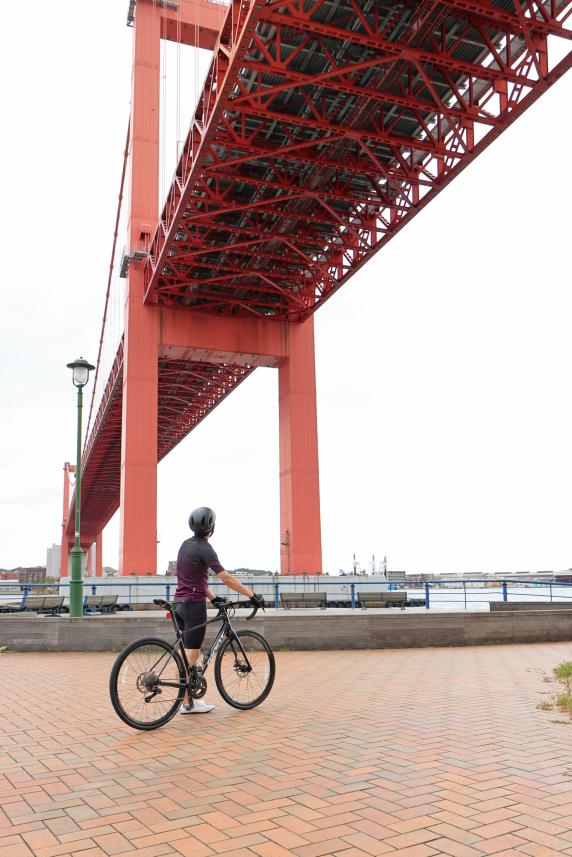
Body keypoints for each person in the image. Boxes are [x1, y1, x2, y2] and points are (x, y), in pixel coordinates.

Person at [174, 506, 265, 714]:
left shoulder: (184, 546)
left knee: (186, 656)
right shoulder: (206, 548)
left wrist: (213, 598)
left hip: (179, 604)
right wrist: (251, 595)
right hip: (193, 606)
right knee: (192, 656)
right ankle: (186, 702)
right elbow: (226, 578)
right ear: (211, 527)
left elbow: (192, 579)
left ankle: (189, 699)